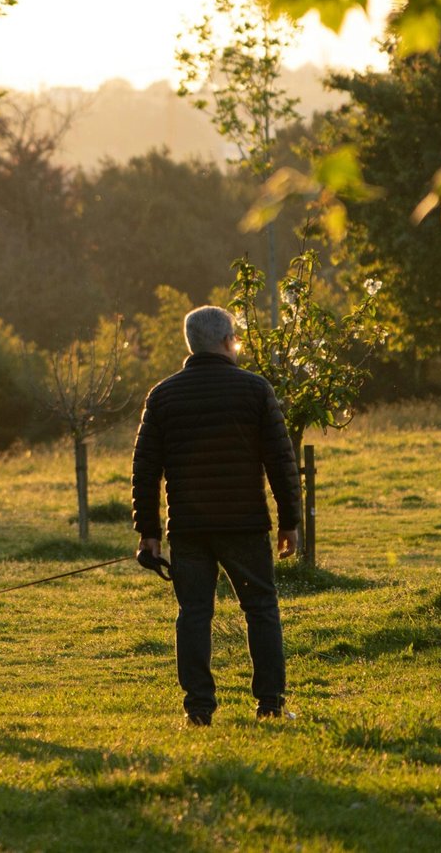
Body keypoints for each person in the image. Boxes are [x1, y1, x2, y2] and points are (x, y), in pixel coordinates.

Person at [131, 305, 301, 724]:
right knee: (260, 608)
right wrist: (290, 521)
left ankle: (199, 711)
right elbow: (281, 460)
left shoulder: (163, 394)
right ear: (228, 341)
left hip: (188, 527)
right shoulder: (255, 389)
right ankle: (270, 705)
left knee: (194, 615)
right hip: (244, 523)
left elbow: (145, 468)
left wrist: (148, 532)